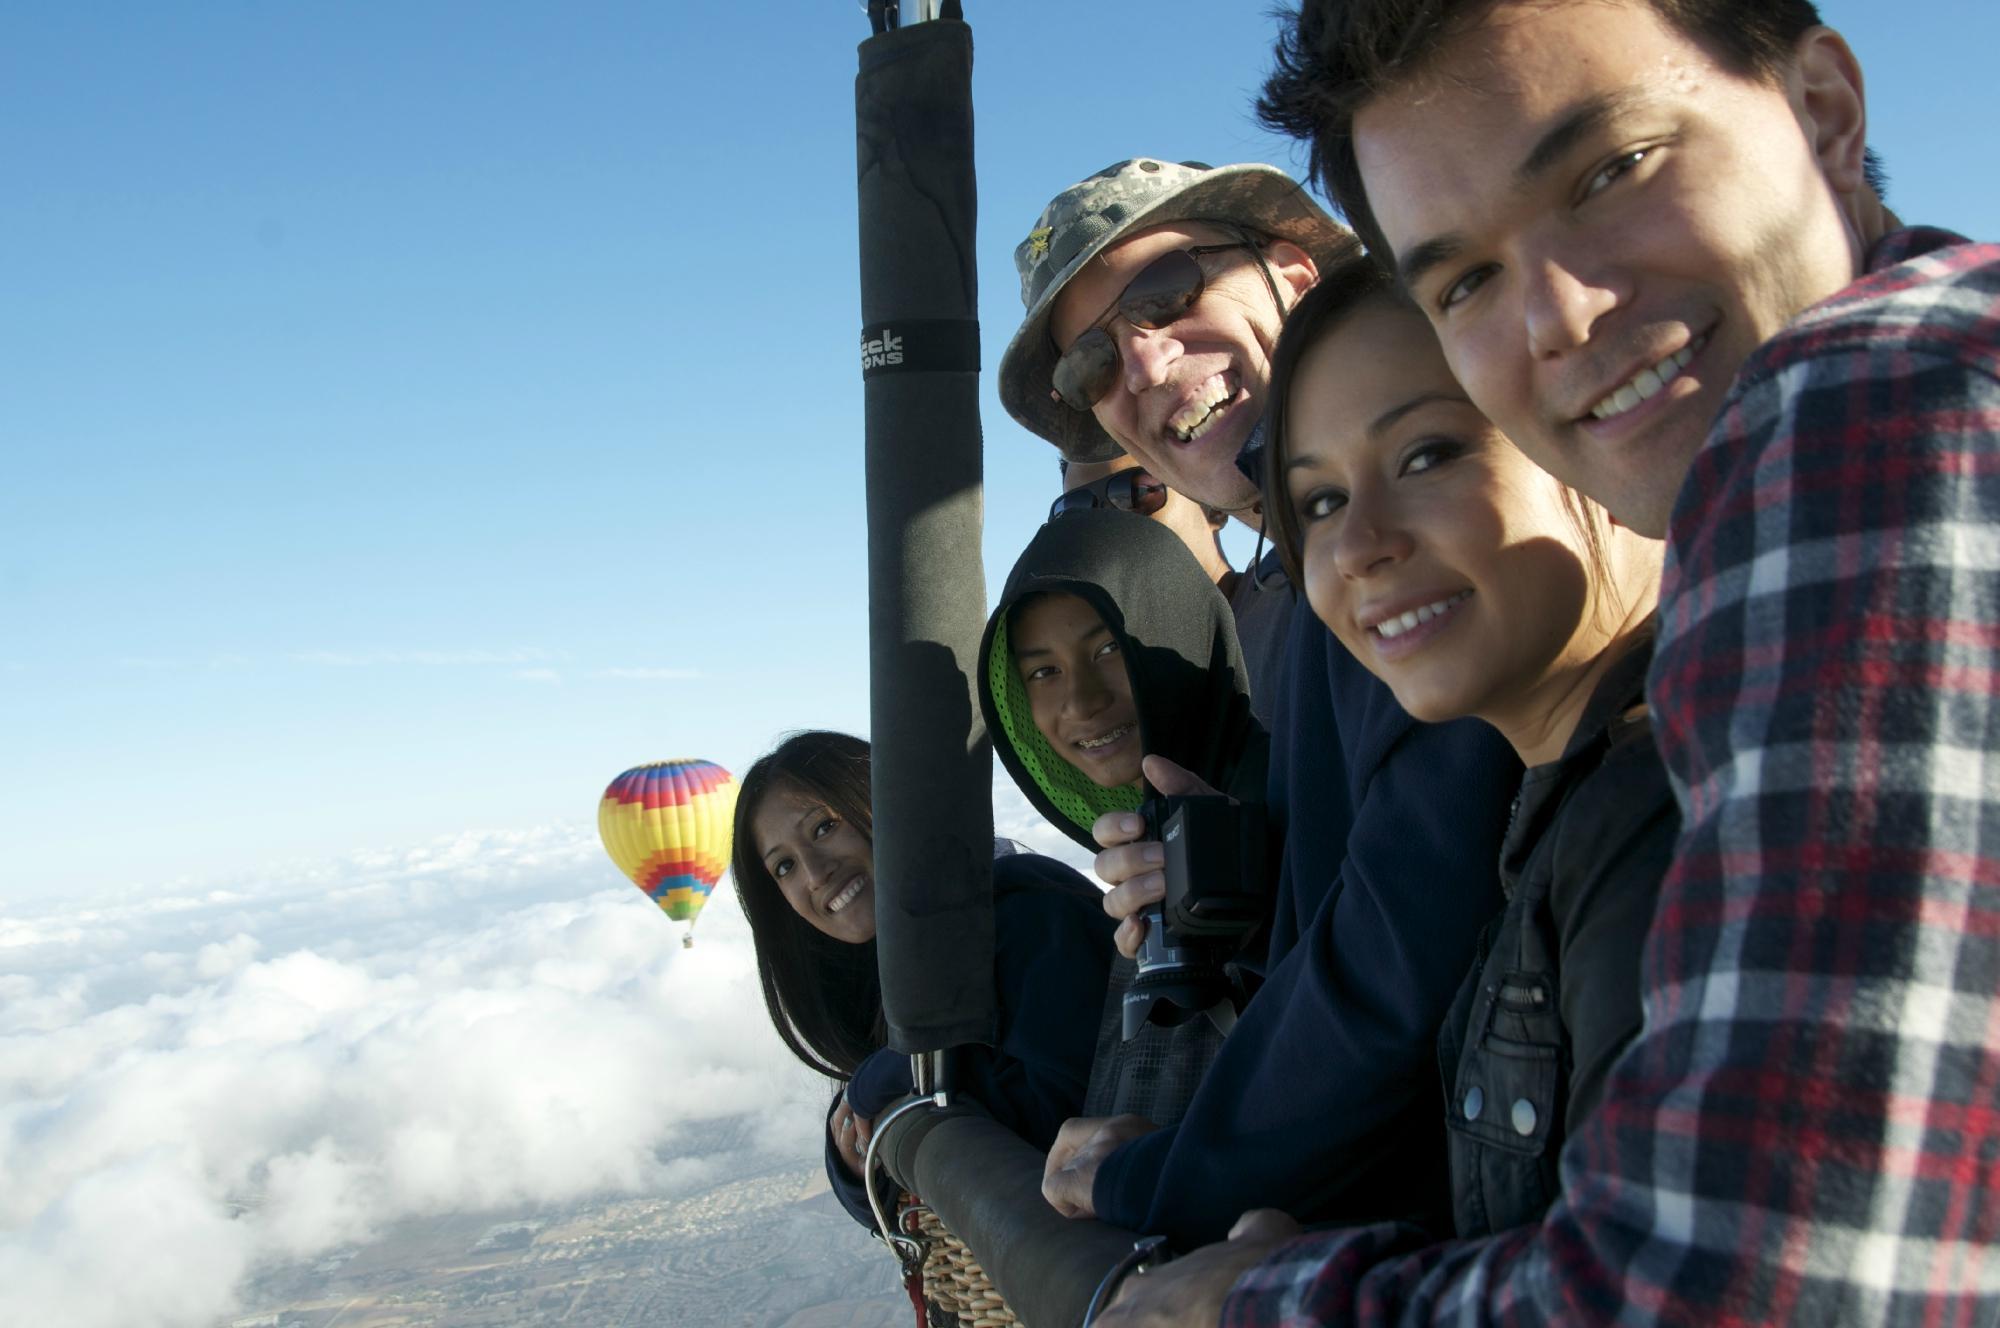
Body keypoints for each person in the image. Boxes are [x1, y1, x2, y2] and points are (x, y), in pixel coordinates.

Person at [1094, 3, 2000, 1322]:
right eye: (1463, 279)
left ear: (1825, 111)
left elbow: (1751, 1289)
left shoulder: (1874, 407)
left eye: (1610, 170)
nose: (1558, 316)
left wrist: (1248, 1301)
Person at [1000, 159, 1523, 1248]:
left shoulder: (1427, 520)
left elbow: (1407, 941)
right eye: (1093, 361)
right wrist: (1245, 872)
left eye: (1168, 294)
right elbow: (1385, 873)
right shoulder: (1287, 601)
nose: (1143, 361)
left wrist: (1154, 1173)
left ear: (1290, 271)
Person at [1265, 264, 1671, 1237]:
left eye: (1425, 453)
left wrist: (1268, 1295)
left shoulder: (1671, 829)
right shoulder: (1558, 826)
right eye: (1317, 501)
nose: (1357, 543)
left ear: (1601, 435)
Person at [730, 730, 1115, 1232]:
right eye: (784, 866)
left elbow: (1071, 1118)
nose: (814, 873)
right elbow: (898, 1208)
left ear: (888, 799)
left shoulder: (1027, 914)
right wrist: (852, 1159)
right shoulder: (886, 975)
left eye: (825, 827)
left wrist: (907, 1071)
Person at [981, 507, 1269, 1123]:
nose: (1082, 702)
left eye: (1109, 647)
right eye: (1044, 671)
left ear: (1173, 630)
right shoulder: (1148, 853)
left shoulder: (1291, 803)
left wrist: (1260, 901)